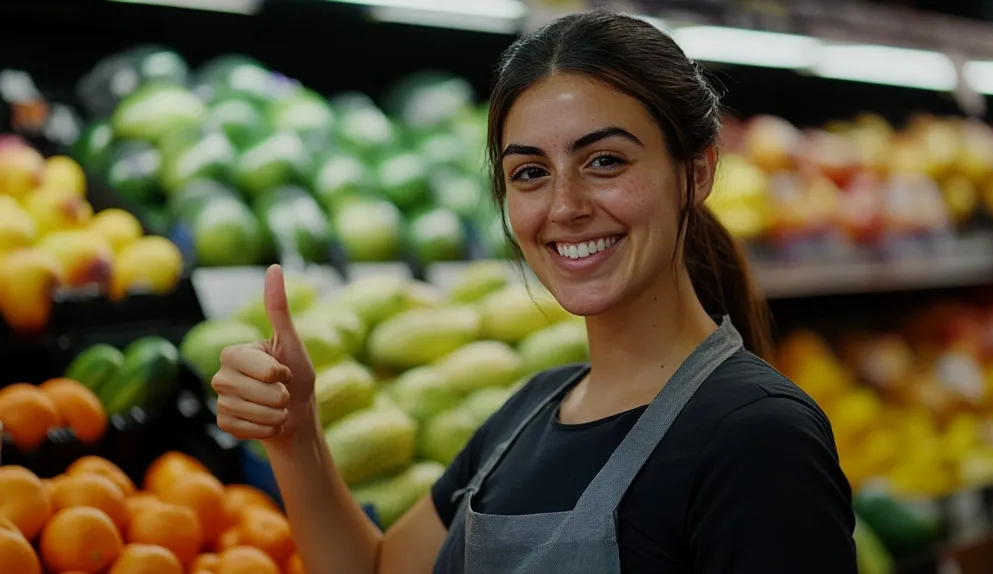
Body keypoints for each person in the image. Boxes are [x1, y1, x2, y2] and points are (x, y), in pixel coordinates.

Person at [211, 9, 858, 574]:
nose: (565, 206)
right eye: (529, 173)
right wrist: (296, 436)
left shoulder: (759, 437)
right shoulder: (528, 412)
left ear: (696, 172)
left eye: (605, 161)